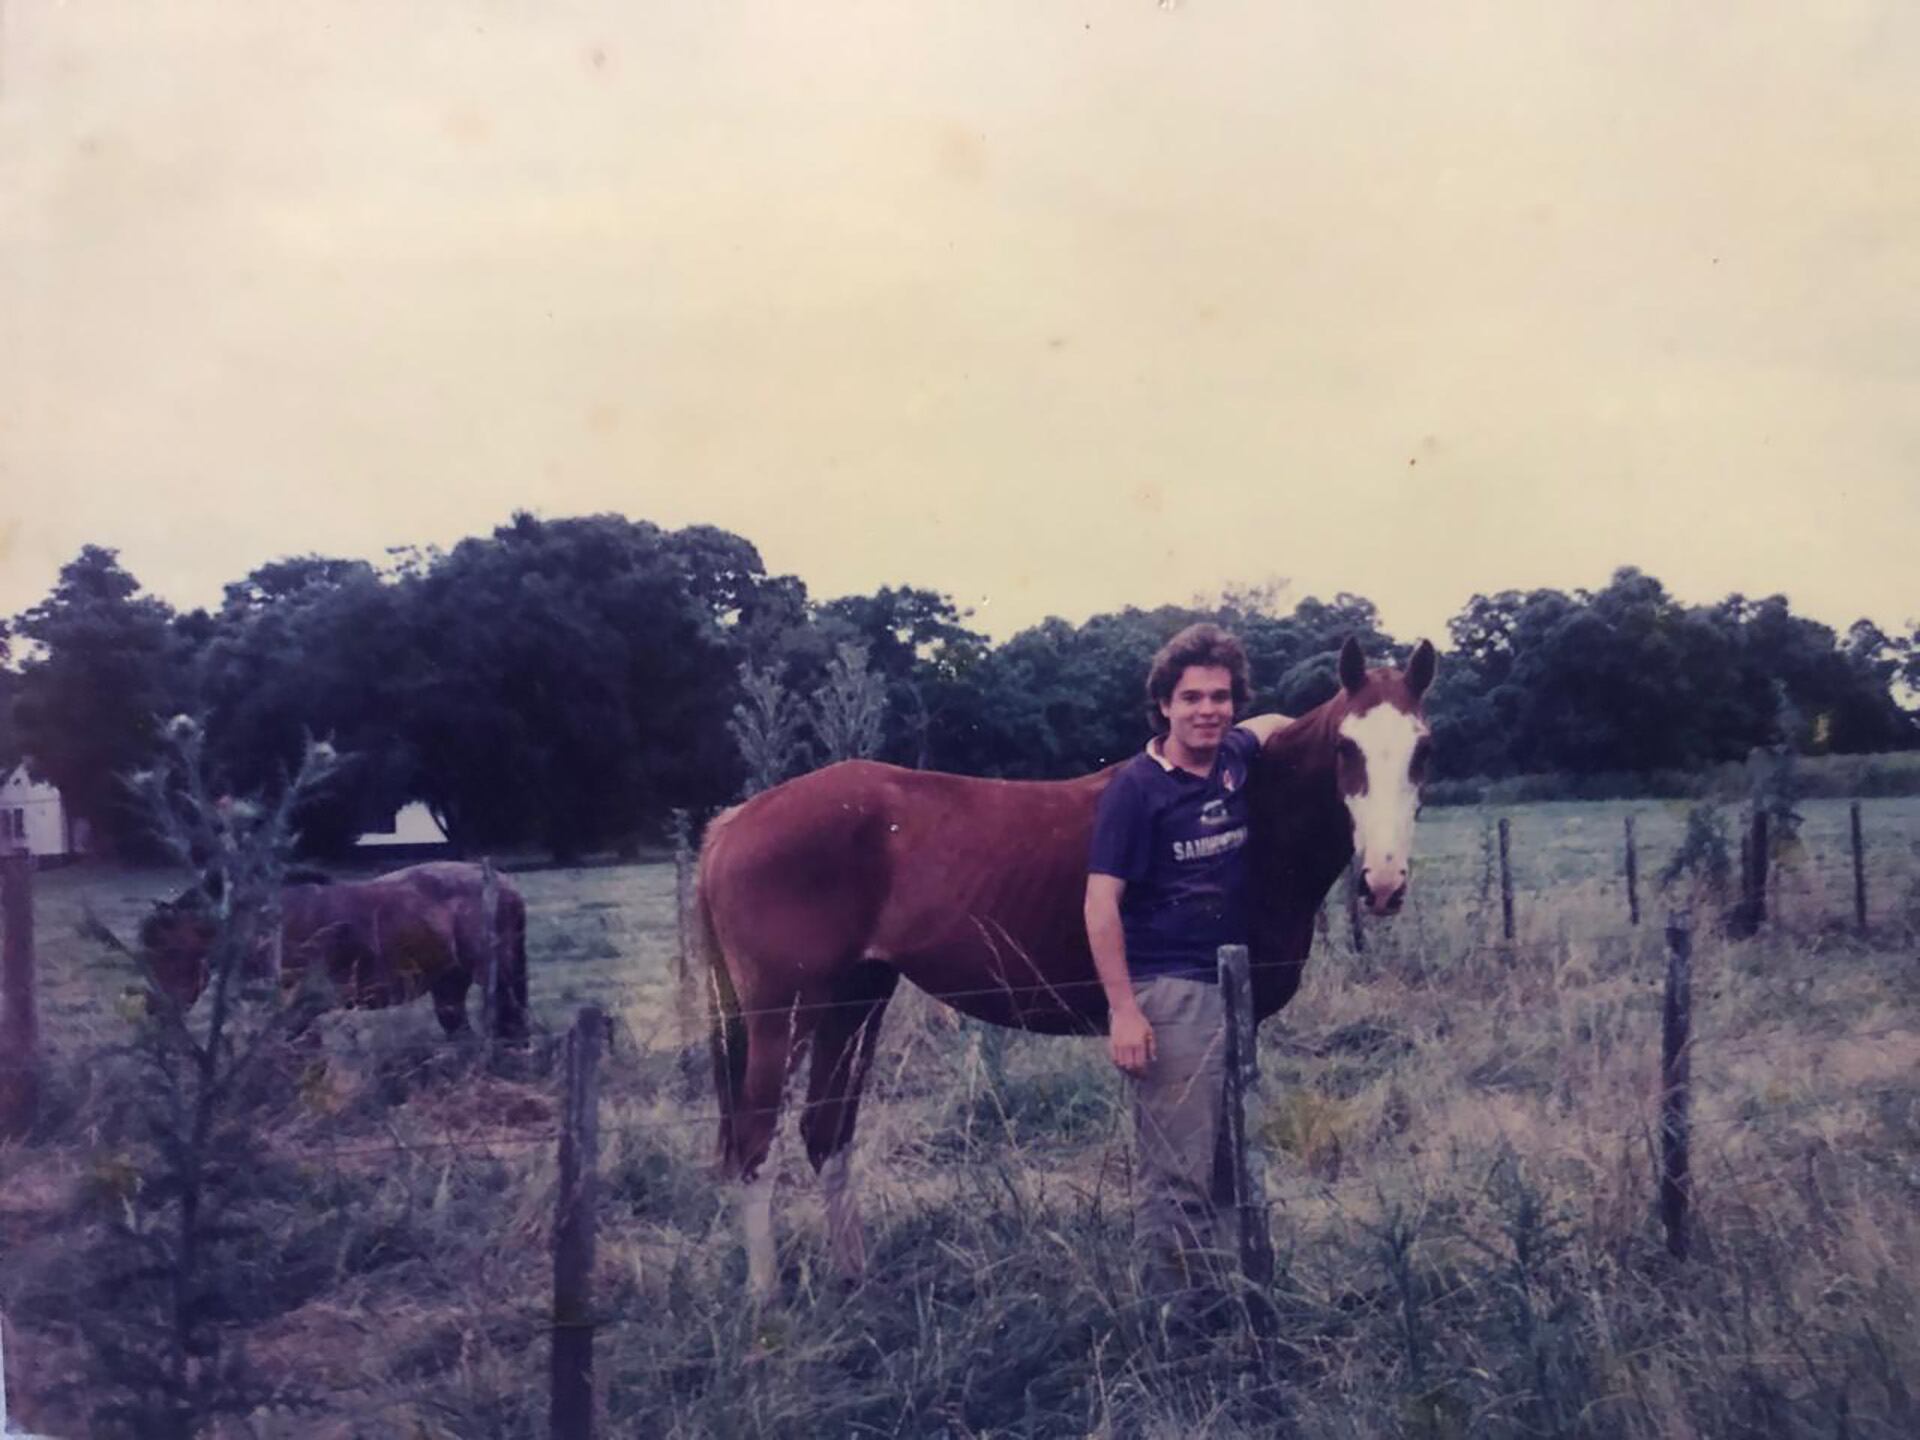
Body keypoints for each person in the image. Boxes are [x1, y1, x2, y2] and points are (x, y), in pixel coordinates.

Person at [1083, 622, 1290, 1310]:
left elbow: (1278, 724)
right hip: (1170, 989)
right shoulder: (1136, 791)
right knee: (1178, 1170)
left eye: (1221, 696)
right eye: (1192, 697)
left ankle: (1225, 1294)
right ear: (1164, 706)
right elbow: (1101, 904)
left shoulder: (1233, 755)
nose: (1209, 709)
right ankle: (1176, 1325)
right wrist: (1124, 1009)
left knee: (1224, 1158)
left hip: (1232, 988)